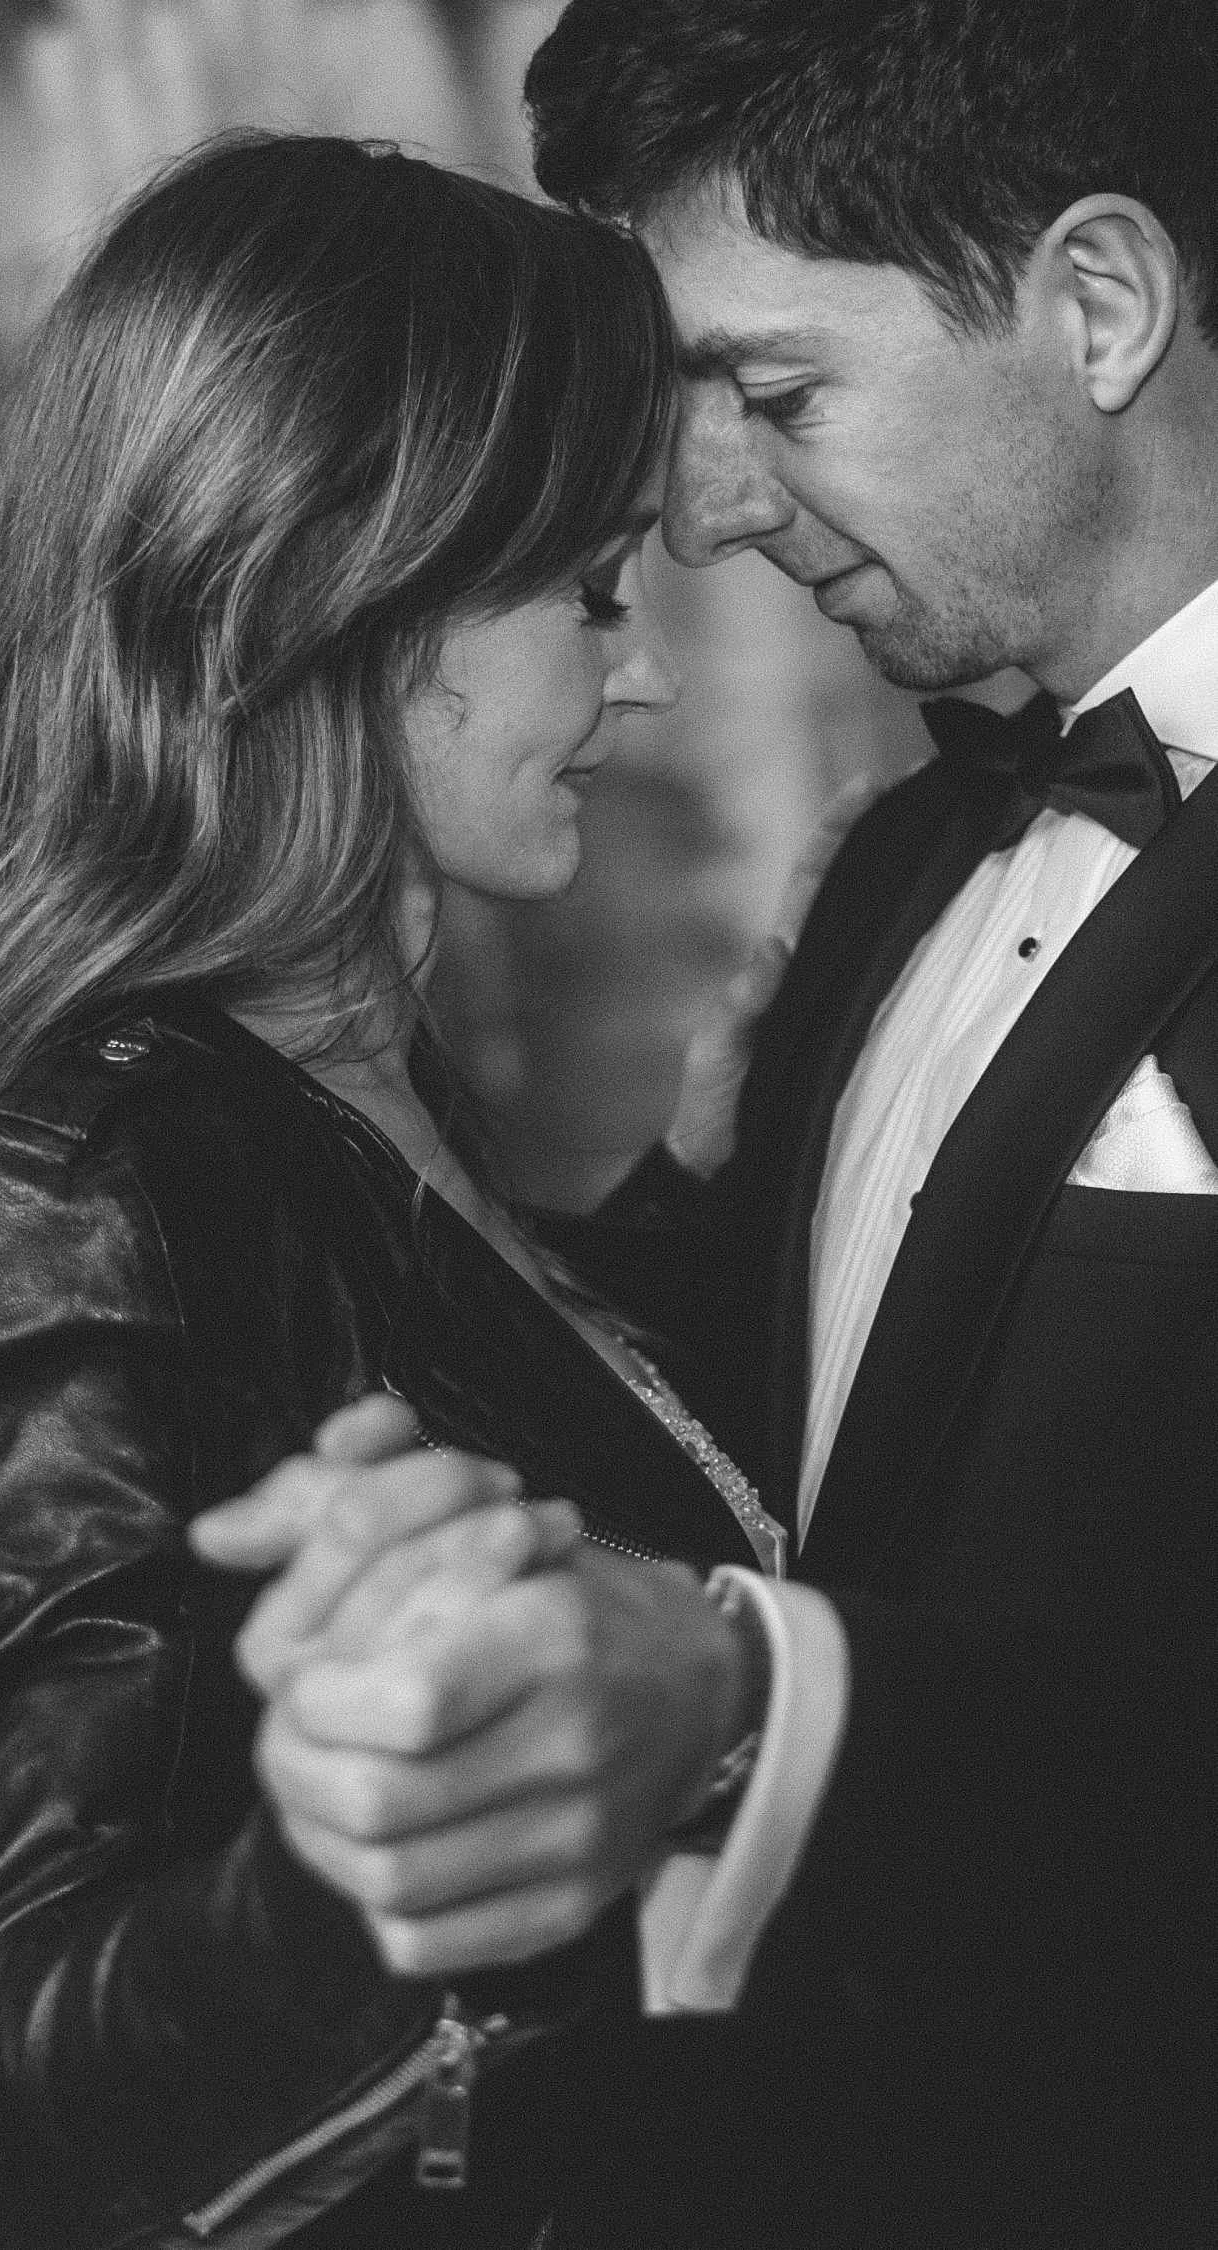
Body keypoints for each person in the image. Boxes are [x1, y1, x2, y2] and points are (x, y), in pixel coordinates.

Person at [0, 128, 793, 2250]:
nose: (644, 671)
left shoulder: (334, 1097)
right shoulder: (89, 1173)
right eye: (588, 593)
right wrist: (369, 1837)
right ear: (341, 586)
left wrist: (686, 1209)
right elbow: (32, 2112)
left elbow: (445, 1402)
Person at [208, 5, 1218, 2243]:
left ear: (1101, 305)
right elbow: (767, 1421)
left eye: (773, 393)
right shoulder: (885, 875)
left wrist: (758, 1713)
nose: (708, 506)